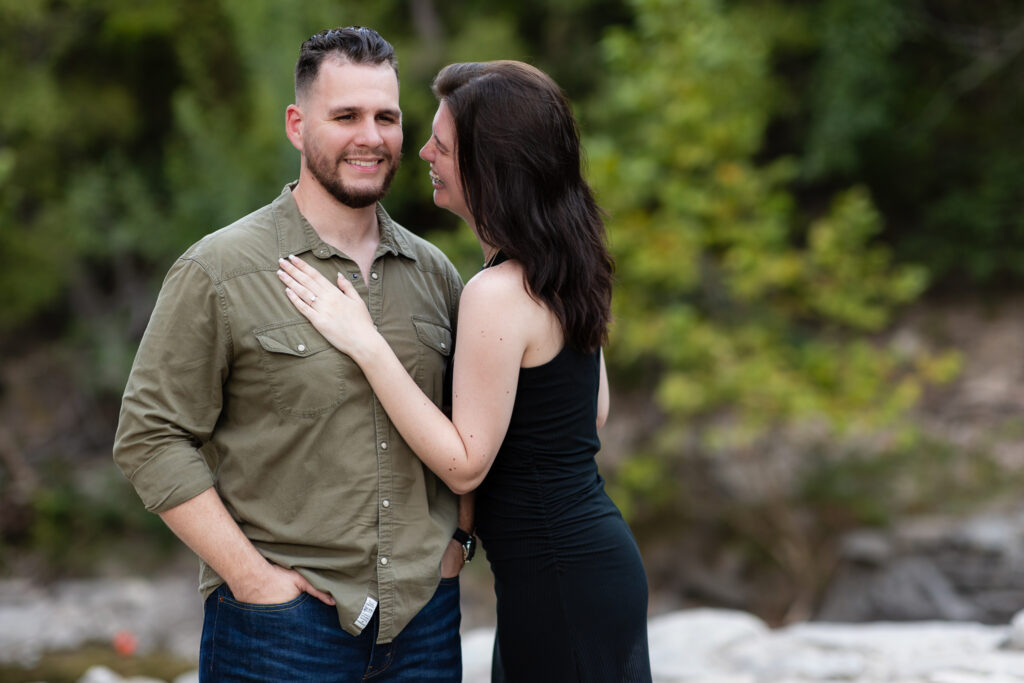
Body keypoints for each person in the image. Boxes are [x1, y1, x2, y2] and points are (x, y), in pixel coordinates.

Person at [113, 26, 472, 682]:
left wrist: (457, 543)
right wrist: (253, 580)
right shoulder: (219, 269)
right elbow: (149, 436)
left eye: (386, 116)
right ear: (297, 125)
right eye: (346, 116)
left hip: (425, 623)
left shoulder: (435, 273)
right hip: (279, 632)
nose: (372, 135)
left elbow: (471, 436)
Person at [277, 60, 653, 682]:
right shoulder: (564, 268)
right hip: (587, 565)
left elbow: (465, 460)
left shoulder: (497, 292)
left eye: (443, 146)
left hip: (557, 578)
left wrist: (366, 344)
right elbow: (594, 411)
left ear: (489, 167)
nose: (421, 150)